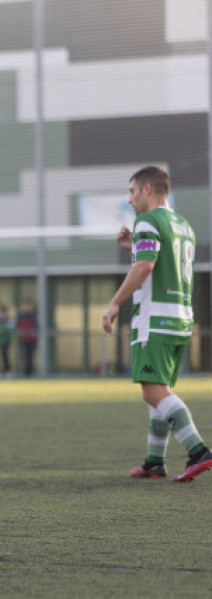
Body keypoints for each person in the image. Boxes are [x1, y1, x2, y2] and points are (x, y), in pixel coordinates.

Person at [102, 166, 212, 483]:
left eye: (132, 192)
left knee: (153, 392)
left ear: (148, 189)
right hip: (181, 318)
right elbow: (162, 261)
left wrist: (115, 303)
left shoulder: (147, 220)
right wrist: (133, 246)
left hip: (155, 319)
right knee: (160, 391)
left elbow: (146, 266)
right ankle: (154, 462)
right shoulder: (183, 224)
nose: (130, 199)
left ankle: (198, 451)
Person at [17, 298, 38, 377]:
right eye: (25, 305)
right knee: (24, 356)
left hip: (31, 340)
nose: (26, 307)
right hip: (23, 340)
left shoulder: (33, 316)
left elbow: (36, 327)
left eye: (28, 305)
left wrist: (29, 331)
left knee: (30, 356)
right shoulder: (21, 315)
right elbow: (18, 326)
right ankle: (24, 372)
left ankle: (30, 372)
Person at [0, 305, 15, 377]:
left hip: (7, 341)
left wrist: (2, 329)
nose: (3, 314)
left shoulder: (9, 320)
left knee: (6, 356)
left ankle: (8, 371)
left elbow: (10, 329)